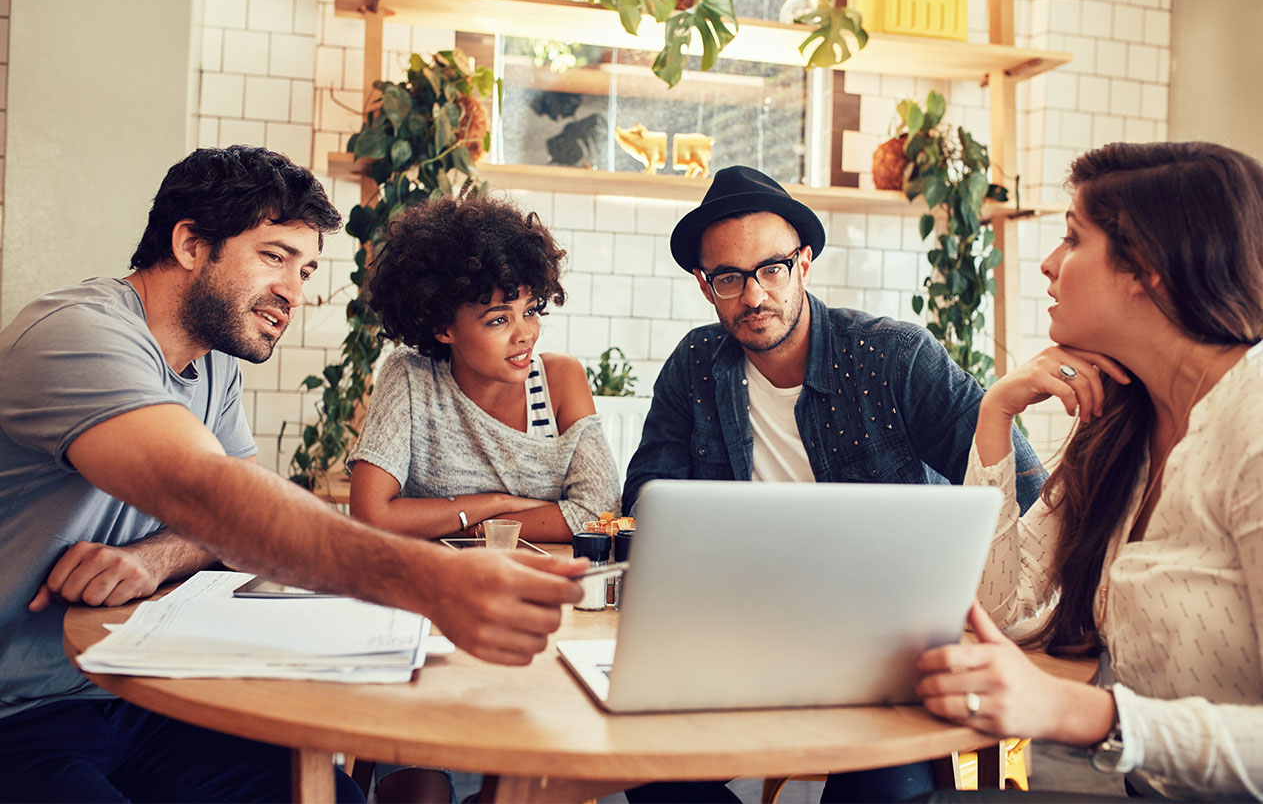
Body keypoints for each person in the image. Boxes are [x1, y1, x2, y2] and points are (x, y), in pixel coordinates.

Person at [0, 146, 586, 802]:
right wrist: (433, 579)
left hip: (125, 688)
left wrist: (155, 555)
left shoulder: (213, 363)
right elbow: (211, 495)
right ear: (191, 242)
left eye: (305, 270)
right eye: (274, 257)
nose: (295, 293)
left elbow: (224, 521)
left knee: (333, 796)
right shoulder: (76, 334)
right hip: (19, 715)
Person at [620, 165, 1046, 803]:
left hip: (888, 647)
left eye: (772, 268)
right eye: (729, 278)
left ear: (805, 264)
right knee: (644, 768)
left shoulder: (895, 358)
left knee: (886, 787)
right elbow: (646, 504)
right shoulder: (694, 367)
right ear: (706, 285)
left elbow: (1019, 485)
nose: (754, 295)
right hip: (739, 630)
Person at [915, 141, 1263, 801]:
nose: (1048, 265)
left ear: (1144, 268)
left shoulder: (1252, 423)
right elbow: (1003, 610)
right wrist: (993, 413)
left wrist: (1082, 714)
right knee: (948, 791)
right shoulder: (1125, 427)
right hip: (1136, 786)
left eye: (1071, 238)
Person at [347, 191, 620, 543]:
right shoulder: (411, 377)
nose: (525, 334)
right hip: (433, 582)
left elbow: (600, 514)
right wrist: (495, 503)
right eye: (498, 320)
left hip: (535, 582)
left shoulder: (560, 382)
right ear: (443, 327)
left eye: (531, 311)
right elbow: (371, 516)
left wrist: (470, 523)